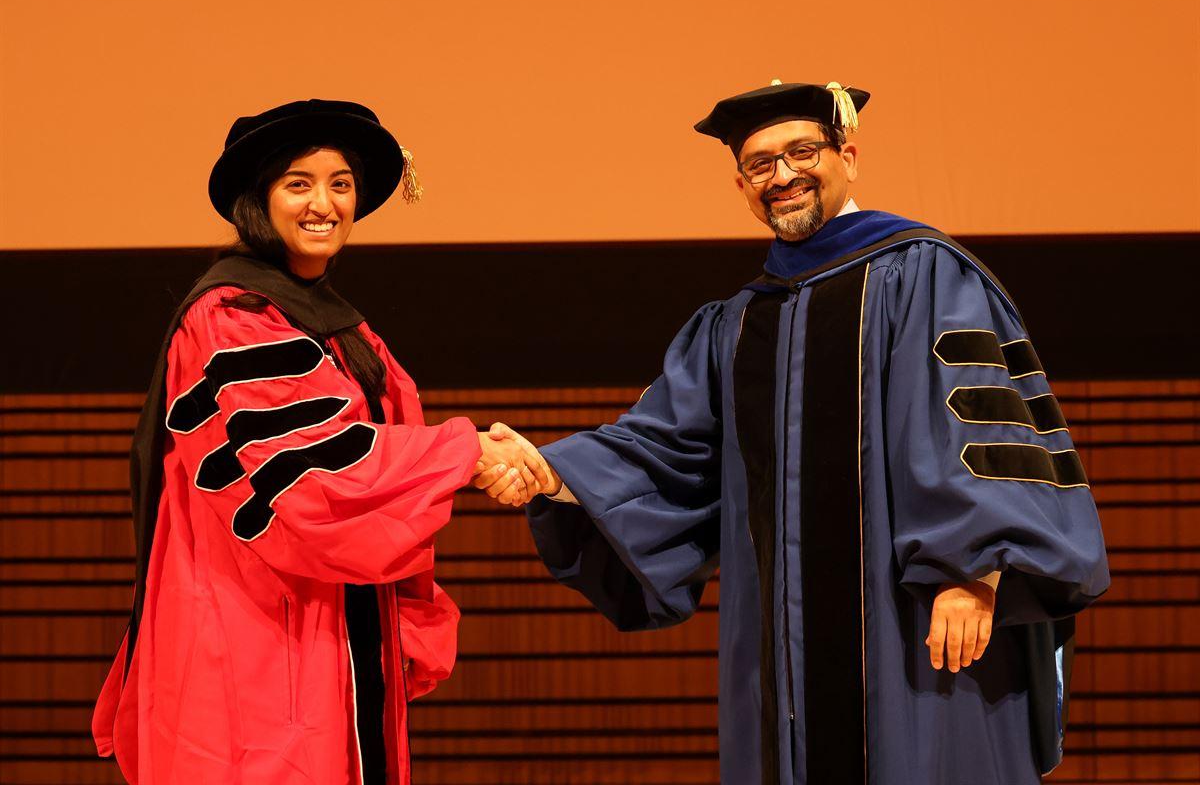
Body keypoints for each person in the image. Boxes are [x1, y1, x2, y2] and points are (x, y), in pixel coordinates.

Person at [474, 81, 1110, 784]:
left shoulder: (924, 274)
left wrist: (974, 569)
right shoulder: (741, 325)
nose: (781, 176)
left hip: (919, 628)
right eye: (759, 164)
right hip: (784, 656)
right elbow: (668, 447)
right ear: (741, 183)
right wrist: (553, 470)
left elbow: (979, 427)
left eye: (801, 151)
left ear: (849, 155)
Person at [92, 99, 548, 784]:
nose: (324, 203)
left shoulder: (341, 326)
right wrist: (470, 454)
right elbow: (312, 473)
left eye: (340, 184)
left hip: (331, 618)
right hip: (254, 633)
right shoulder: (230, 318)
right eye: (298, 183)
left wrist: (472, 458)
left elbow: (379, 447)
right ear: (259, 200)